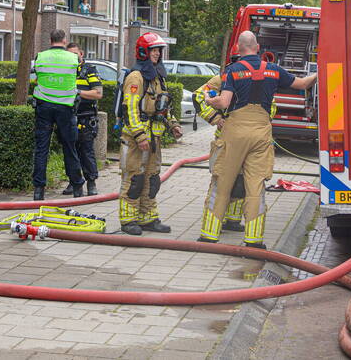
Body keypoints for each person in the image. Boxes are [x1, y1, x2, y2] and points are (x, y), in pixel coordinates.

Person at [198, 30, 317, 248]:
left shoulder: (232, 71)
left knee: (222, 182)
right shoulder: (273, 70)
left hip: (235, 132)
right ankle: (254, 240)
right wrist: (321, 73)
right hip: (262, 132)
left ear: (239, 50)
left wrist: (208, 100)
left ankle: (209, 235)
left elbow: (224, 103)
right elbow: (302, 84)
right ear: (258, 48)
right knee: (255, 186)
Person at [119, 32, 182, 235]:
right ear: (143, 52)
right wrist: (139, 135)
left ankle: (148, 218)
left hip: (154, 138)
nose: (157, 54)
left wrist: (173, 124)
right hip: (136, 140)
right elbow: (130, 108)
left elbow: (163, 105)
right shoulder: (136, 77)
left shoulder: (157, 77)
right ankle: (128, 220)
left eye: (158, 50)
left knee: (152, 179)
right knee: (134, 179)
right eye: (153, 50)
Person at [32, 29, 86, 200]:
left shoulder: (40, 56)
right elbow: (76, 75)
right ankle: (77, 186)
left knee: (42, 149)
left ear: (50, 40)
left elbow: (38, 77)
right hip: (65, 107)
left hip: (44, 107)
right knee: (69, 148)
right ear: (64, 41)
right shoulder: (73, 58)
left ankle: (39, 190)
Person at [193, 73, 245, 232]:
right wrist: (217, 119)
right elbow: (198, 97)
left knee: (240, 181)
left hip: (245, 140)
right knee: (220, 181)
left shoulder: (260, 77)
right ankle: (214, 222)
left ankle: (233, 220)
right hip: (224, 139)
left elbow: (270, 105)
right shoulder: (222, 78)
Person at [61, 43, 103, 196]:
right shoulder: (65, 71)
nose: (73, 57)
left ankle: (91, 183)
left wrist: (77, 92)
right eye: (69, 54)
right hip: (67, 116)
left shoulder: (89, 70)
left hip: (85, 117)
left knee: (86, 151)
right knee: (70, 151)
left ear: (82, 54)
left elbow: (98, 93)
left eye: (75, 54)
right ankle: (73, 181)